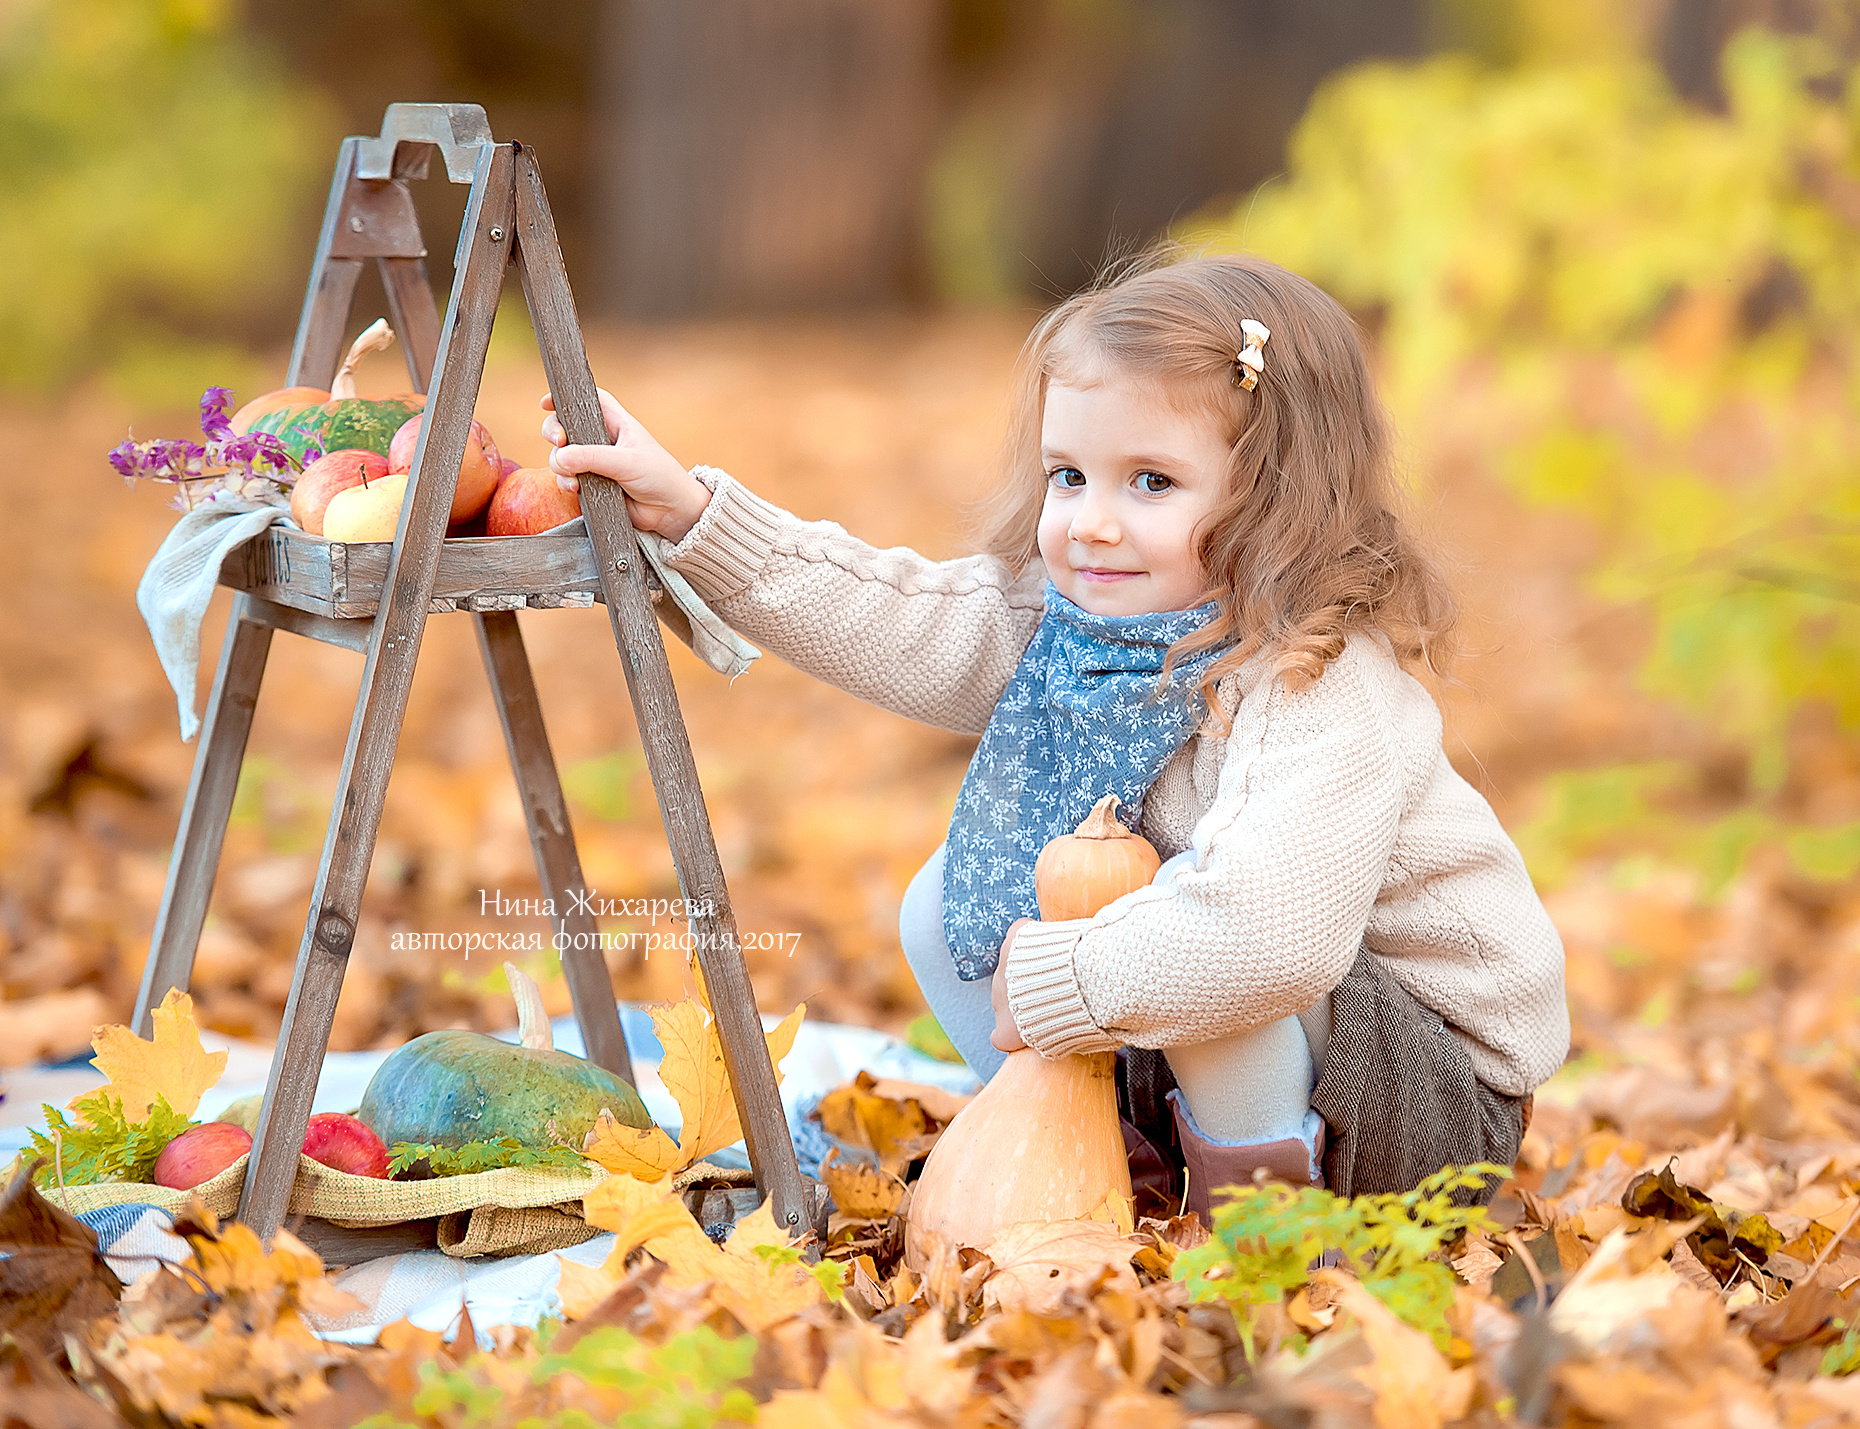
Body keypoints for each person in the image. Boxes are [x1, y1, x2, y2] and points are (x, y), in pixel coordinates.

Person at [539, 246, 1569, 1217]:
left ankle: (1261, 1232)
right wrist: (692, 516)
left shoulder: (1322, 682)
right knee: (948, 898)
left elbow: (1270, 940)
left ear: (1277, 504)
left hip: (1423, 1103)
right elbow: (902, 616)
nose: (1090, 520)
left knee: (1202, 928)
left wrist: (1057, 981)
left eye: (1149, 482)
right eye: (1068, 476)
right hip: (1226, 1021)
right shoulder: (1082, 631)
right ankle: (1092, 1164)